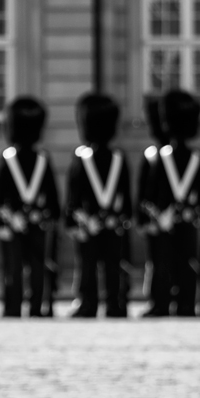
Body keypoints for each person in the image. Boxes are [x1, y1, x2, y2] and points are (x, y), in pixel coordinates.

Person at [138, 89, 200, 317]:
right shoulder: (196, 156)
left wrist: (151, 217)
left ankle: (160, 303)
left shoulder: (158, 156)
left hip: (162, 221)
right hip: (186, 220)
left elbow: (148, 193)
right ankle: (186, 303)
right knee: (187, 263)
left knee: (160, 264)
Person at [0, 96, 60, 318]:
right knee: (38, 266)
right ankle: (37, 306)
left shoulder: (6, 159)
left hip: (12, 223)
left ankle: (13, 307)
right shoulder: (43, 159)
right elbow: (52, 196)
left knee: (13, 267)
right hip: (36, 221)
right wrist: (47, 216)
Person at [64, 92, 132, 318]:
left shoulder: (80, 158)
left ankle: (88, 303)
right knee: (114, 266)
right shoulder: (119, 158)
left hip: (88, 223)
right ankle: (115, 303)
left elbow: (73, 197)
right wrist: (123, 219)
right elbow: (125, 195)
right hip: (113, 223)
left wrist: (77, 221)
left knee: (87, 266)